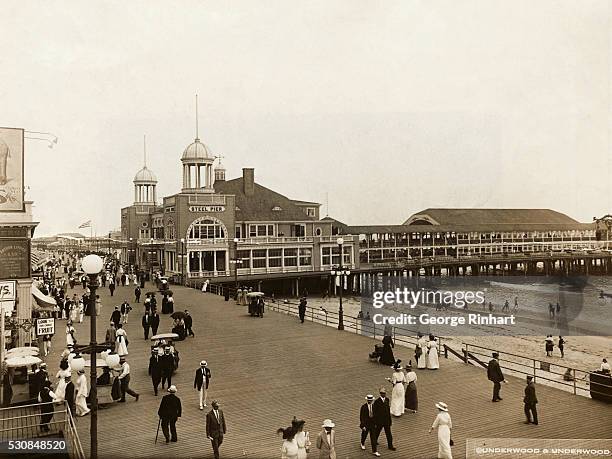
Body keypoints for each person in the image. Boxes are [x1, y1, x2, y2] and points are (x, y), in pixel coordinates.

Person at [373, 387, 396, 451]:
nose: (384, 394)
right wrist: (375, 421)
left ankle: (390, 446)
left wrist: (390, 420)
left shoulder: (387, 400)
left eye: (385, 393)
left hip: (386, 421)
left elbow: (388, 411)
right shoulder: (377, 402)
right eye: (382, 393)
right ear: (380, 394)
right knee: (377, 432)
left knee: (389, 434)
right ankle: (374, 442)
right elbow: (375, 412)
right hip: (379, 421)